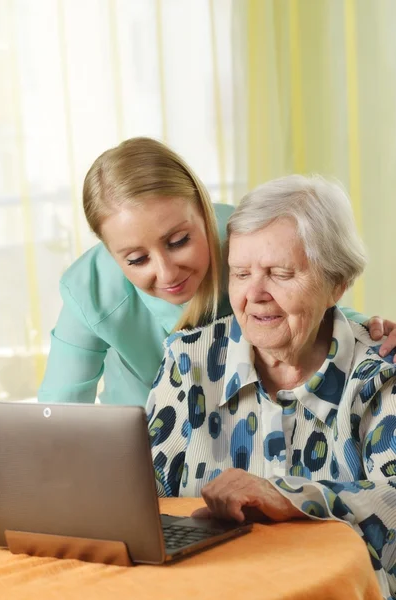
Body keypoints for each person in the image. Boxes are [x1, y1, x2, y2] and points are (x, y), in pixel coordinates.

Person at [147, 174, 396, 597]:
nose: (254, 294)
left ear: (337, 283)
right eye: (241, 273)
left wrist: (289, 498)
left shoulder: (380, 370)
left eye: (280, 273)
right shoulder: (187, 361)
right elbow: (143, 493)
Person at [38, 137, 396, 407]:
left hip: (243, 429)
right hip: (140, 443)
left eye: (178, 241)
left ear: (204, 210)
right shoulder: (89, 291)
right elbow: (57, 417)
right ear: (108, 250)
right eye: (135, 260)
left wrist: (370, 332)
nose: (166, 274)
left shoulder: (248, 239)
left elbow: (305, 295)